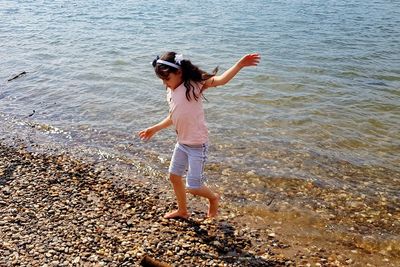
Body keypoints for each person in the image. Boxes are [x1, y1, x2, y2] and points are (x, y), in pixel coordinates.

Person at [138, 52, 261, 219]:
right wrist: (155, 128)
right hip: (181, 143)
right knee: (174, 177)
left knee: (194, 187)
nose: (165, 83)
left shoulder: (194, 85)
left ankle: (213, 198)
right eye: (162, 80)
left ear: (179, 72)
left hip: (197, 145)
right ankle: (182, 211)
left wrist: (239, 65)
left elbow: (221, 80)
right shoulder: (171, 91)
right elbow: (174, 116)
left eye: (167, 78)